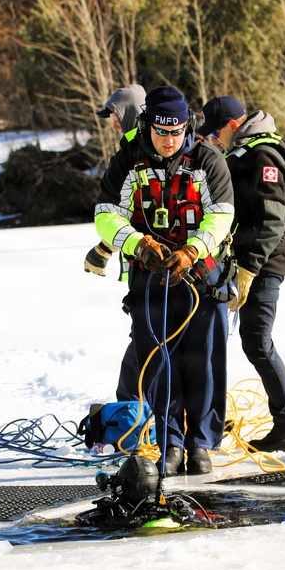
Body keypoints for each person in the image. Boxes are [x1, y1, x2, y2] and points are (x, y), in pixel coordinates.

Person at [95, 85, 235, 475]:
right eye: (161, 132)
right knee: (159, 363)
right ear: (146, 125)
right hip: (150, 275)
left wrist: (194, 249)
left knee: (204, 361)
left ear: (187, 126)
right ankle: (170, 442)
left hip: (203, 275)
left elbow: (221, 214)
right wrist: (138, 245)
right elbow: (106, 215)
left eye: (176, 132)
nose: (169, 140)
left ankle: (201, 444)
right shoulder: (128, 160)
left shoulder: (208, 158)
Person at [198, 95, 285, 453]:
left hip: (264, 264)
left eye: (216, 133)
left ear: (231, 126)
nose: (214, 140)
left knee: (258, 340)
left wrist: (248, 269)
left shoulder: (262, 155)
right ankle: (210, 418)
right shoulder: (244, 151)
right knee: (245, 341)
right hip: (247, 262)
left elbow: (271, 221)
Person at [84, 85, 146, 401]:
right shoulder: (130, 148)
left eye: (115, 116)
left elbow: (140, 211)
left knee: (145, 345)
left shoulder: (139, 150)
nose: (112, 123)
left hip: (155, 264)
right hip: (139, 261)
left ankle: (131, 417)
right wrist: (106, 247)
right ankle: (137, 416)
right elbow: (123, 211)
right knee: (145, 341)